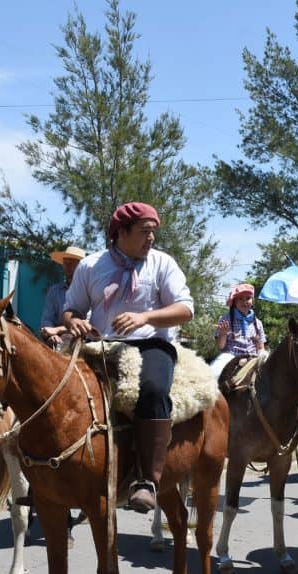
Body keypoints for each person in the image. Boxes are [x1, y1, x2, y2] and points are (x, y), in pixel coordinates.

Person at [62, 202, 193, 513]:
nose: (151, 238)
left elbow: (185, 309)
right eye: (144, 232)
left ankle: (147, 480)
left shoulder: (162, 264)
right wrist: (74, 321)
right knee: (55, 388)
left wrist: (145, 318)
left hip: (150, 345)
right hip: (100, 345)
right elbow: (71, 309)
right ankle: (48, 471)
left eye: (153, 232)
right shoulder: (91, 266)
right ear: (120, 233)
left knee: (153, 390)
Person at [210, 283, 266, 378]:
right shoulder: (225, 319)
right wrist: (223, 333)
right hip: (231, 356)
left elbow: (261, 349)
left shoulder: (258, 323)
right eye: (240, 299)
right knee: (213, 373)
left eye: (248, 298)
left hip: (252, 358)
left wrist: (258, 345)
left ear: (252, 301)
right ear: (234, 302)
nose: (245, 302)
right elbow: (220, 347)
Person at [40, 245, 87, 348]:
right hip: (56, 341)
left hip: (83, 340)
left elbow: (88, 323)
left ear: (81, 266)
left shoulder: (89, 290)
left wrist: (56, 330)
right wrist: (52, 335)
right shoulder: (54, 291)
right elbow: (47, 319)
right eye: (65, 263)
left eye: (71, 263)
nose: (66, 265)